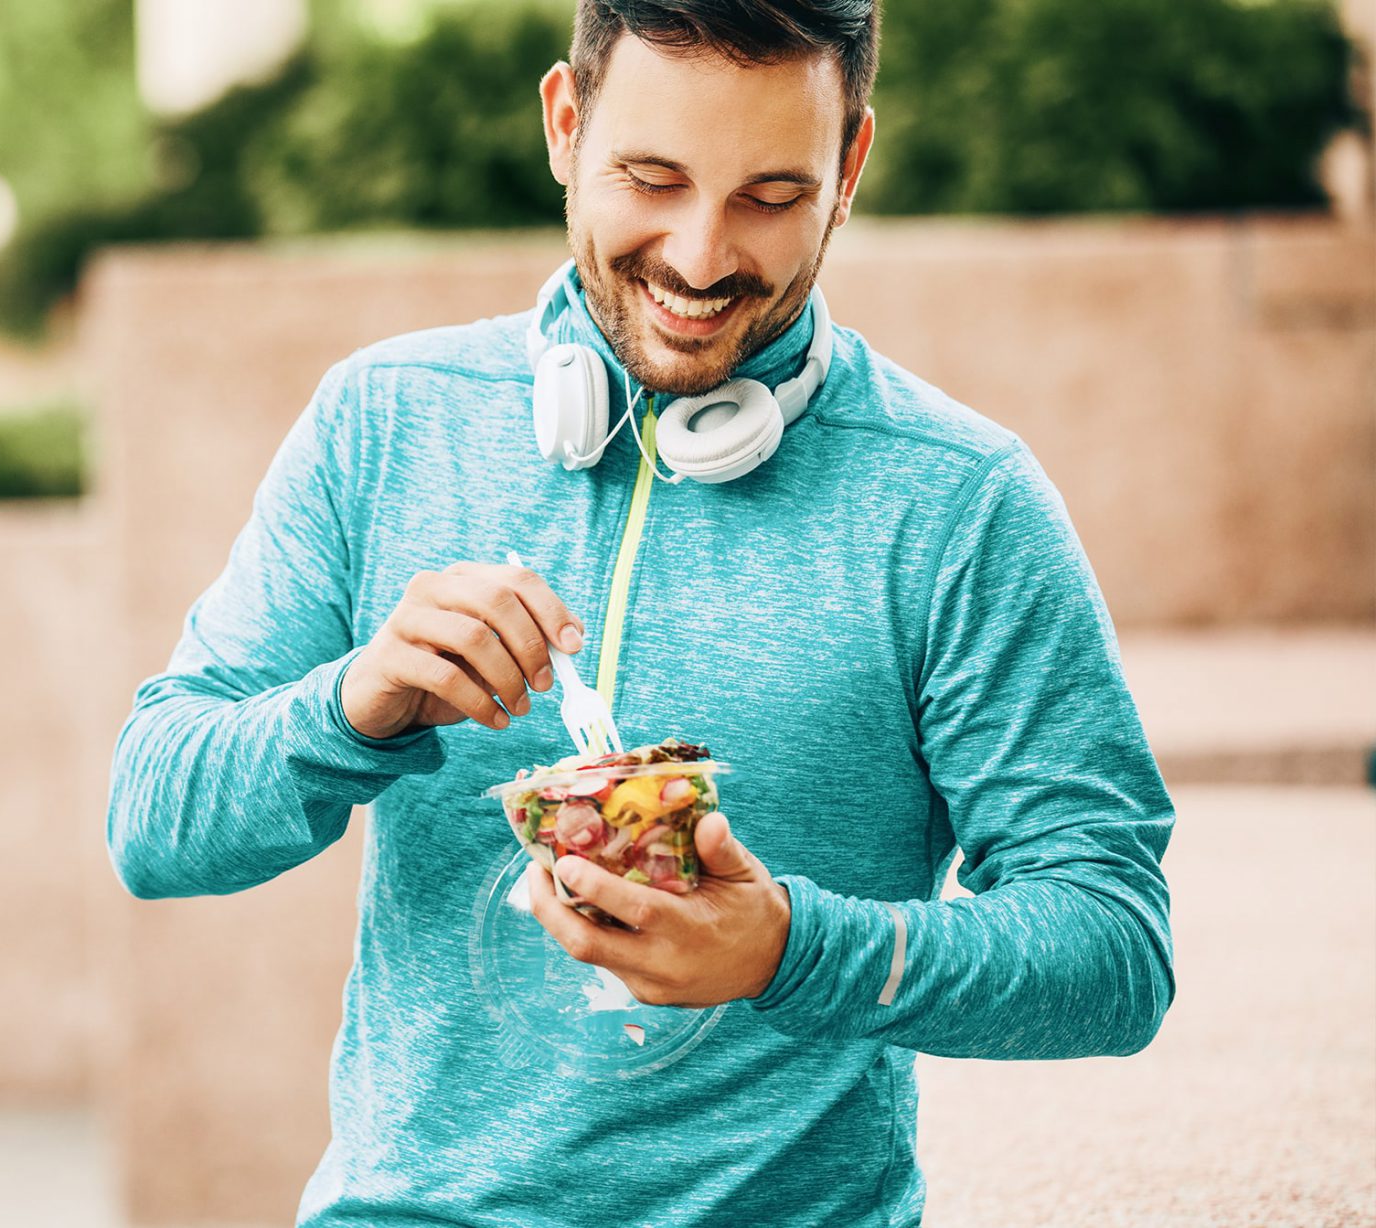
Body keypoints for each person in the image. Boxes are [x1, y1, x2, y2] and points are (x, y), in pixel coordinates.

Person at [102, 1, 1177, 1223]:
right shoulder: (383, 420)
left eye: (771, 195)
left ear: (851, 170)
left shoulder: (959, 503)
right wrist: (352, 704)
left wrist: (786, 950)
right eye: (650, 177)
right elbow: (151, 819)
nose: (701, 256)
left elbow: (1112, 945)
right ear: (565, 125)